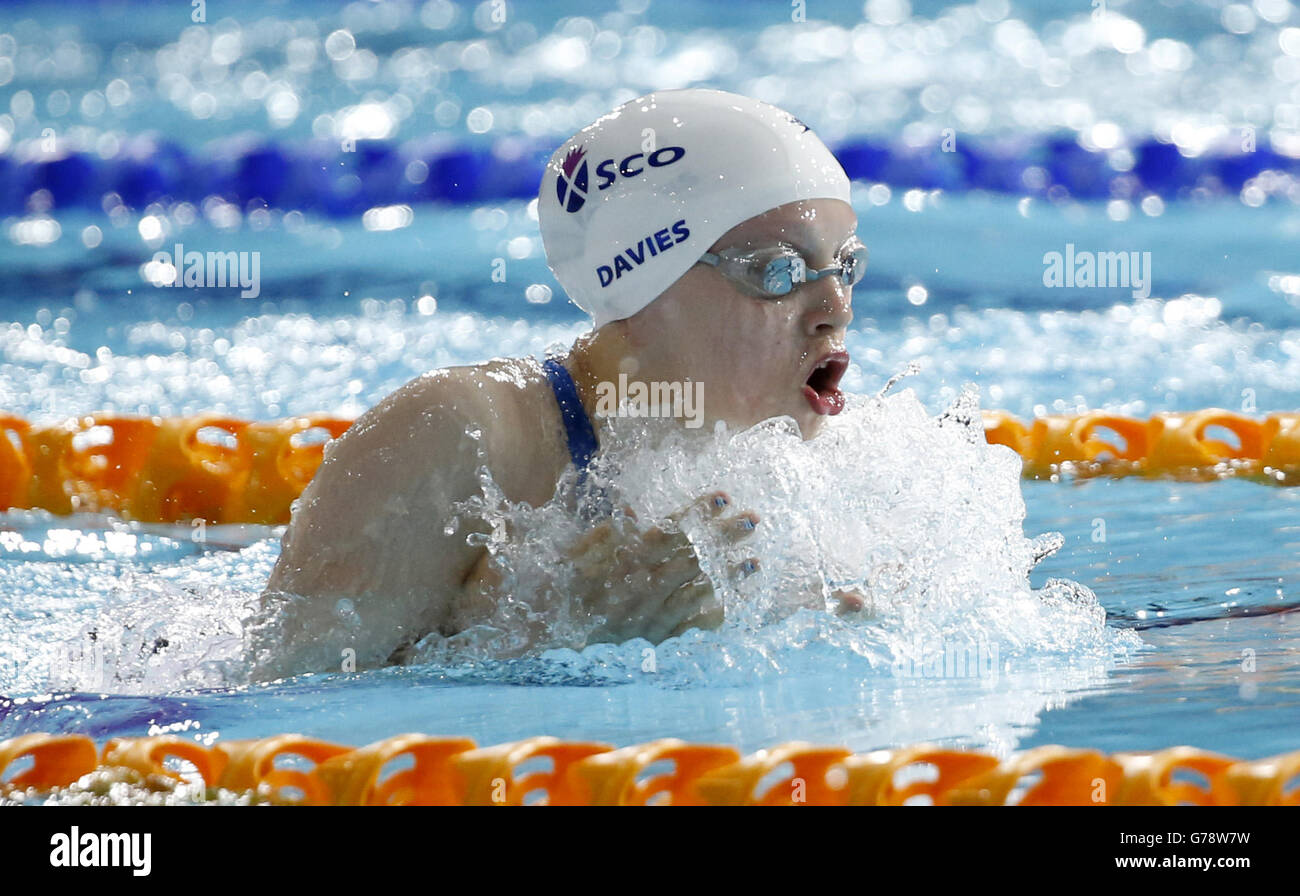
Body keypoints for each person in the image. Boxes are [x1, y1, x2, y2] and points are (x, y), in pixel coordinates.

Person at [258, 87, 868, 672]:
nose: (836, 307)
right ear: (645, 287)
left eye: (845, 265)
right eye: (778, 271)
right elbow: (284, 708)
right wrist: (543, 639)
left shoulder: (811, 470)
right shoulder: (460, 437)